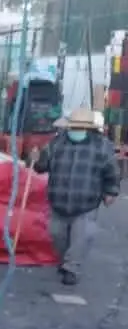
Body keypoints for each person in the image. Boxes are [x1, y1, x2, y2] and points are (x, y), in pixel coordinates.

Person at [29, 107, 120, 286]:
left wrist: (111, 191)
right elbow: (41, 167)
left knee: (81, 236)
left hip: (86, 201)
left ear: (88, 128)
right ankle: (65, 261)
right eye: (73, 127)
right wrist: (35, 158)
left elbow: (112, 171)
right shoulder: (56, 143)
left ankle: (72, 267)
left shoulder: (102, 146)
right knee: (57, 235)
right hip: (58, 200)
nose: (75, 131)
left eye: (79, 128)